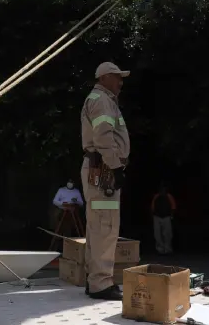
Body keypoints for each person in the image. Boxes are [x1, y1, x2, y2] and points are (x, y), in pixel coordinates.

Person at [79, 61, 130, 300]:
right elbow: (103, 138)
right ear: (105, 77)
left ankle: (95, 280)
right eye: (117, 77)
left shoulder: (102, 100)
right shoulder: (101, 101)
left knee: (97, 225)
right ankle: (101, 283)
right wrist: (116, 167)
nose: (121, 82)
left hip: (100, 168)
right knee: (105, 226)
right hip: (104, 169)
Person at [150, 184, 176, 255]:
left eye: (164, 189)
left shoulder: (169, 196)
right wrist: (153, 216)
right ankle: (160, 249)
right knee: (157, 234)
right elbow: (152, 207)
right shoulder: (156, 196)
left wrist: (171, 216)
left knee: (167, 234)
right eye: (161, 189)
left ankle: (168, 249)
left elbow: (173, 207)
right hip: (157, 217)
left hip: (166, 217)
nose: (162, 191)